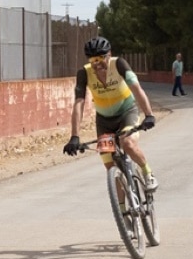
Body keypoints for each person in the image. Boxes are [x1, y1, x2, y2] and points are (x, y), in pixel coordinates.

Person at [63, 36, 158, 192]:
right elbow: (78, 103)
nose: (97, 64)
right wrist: (74, 136)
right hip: (104, 120)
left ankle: (148, 173)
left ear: (109, 54)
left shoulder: (119, 64)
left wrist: (149, 114)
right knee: (110, 166)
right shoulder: (84, 73)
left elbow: (136, 88)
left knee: (127, 143)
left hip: (127, 112)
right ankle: (123, 212)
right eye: (93, 60)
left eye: (101, 59)